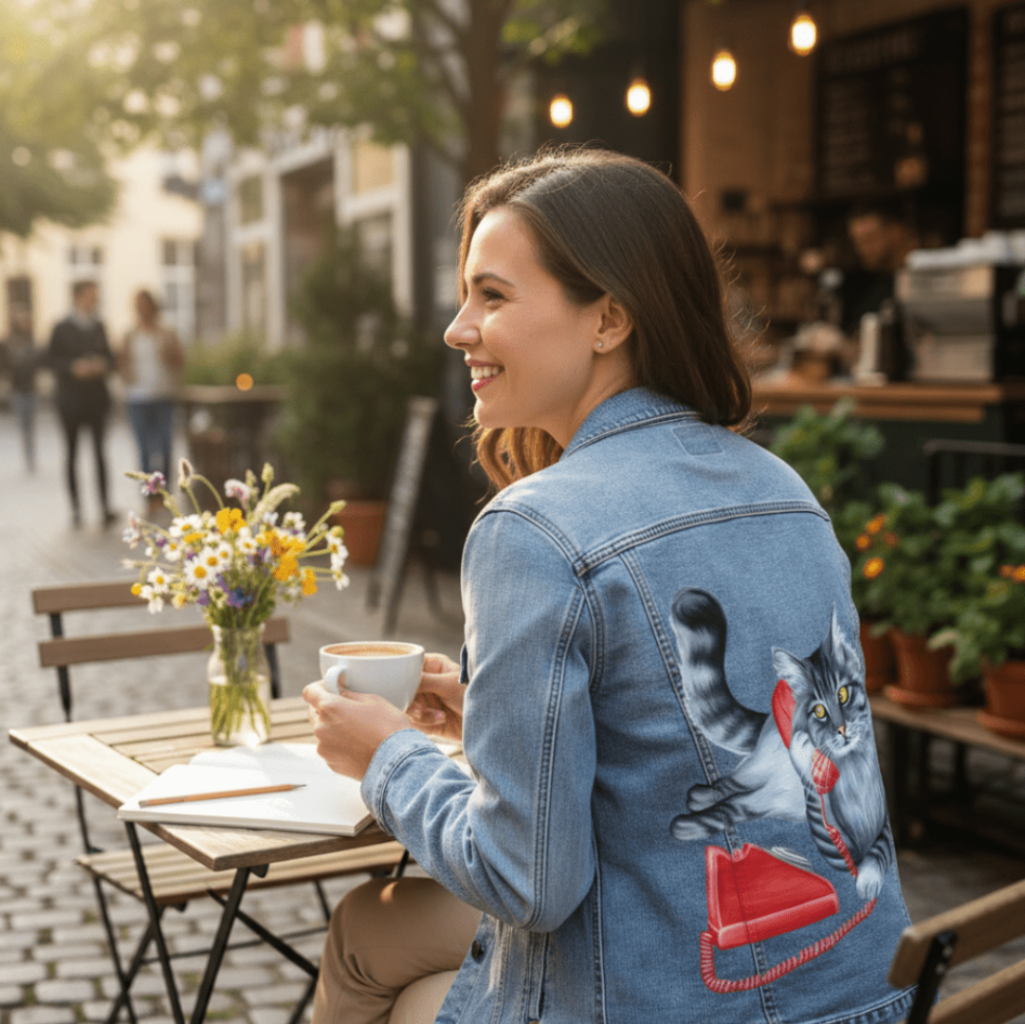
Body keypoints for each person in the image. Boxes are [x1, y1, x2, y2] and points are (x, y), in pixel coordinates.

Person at [303, 149, 916, 1024]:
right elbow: (683, 750)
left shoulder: (534, 530)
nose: (456, 327)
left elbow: (527, 881)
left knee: (397, 965)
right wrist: (490, 707)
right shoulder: (786, 489)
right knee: (372, 928)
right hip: (858, 994)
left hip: (684, 987)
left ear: (608, 319)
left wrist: (384, 758)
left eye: (493, 295)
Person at [47, 280, 117, 528]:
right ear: (78, 297)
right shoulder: (61, 327)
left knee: (100, 453)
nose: (93, 300)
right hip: (70, 400)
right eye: (89, 295)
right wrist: (72, 368)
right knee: (72, 453)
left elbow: (110, 357)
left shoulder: (99, 326)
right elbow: (51, 360)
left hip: (96, 399)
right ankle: (76, 509)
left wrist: (101, 365)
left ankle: (105, 506)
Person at [118, 288, 184, 498]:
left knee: (165, 446)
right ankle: (149, 496)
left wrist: (169, 356)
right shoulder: (130, 334)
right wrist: (126, 374)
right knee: (144, 449)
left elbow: (180, 361)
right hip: (137, 397)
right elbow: (121, 363)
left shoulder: (166, 333)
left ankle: (166, 493)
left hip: (162, 395)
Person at [839, 203, 919, 337]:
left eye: (869, 239)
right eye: (857, 242)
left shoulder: (924, 278)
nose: (861, 250)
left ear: (896, 232)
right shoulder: (882, 285)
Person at [0, 303, 41, 472]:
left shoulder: (31, 342)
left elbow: (37, 362)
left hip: (31, 388)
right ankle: (28, 455)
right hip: (17, 389)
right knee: (23, 424)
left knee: (30, 424)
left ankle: (30, 456)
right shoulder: (7, 344)